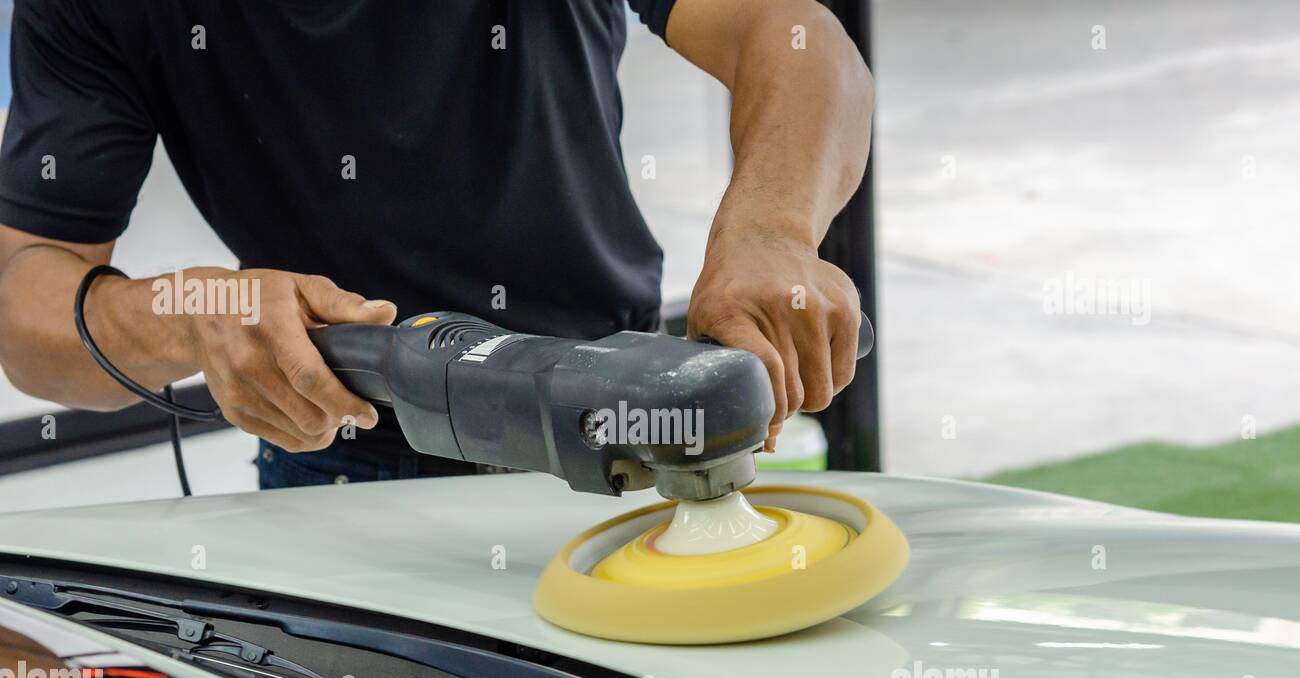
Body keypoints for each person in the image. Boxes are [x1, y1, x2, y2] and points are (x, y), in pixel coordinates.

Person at [0, 0, 874, 488]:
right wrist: (192, 315)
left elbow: (794, 34)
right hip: (333, 460)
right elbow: (25, 296)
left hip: (619, 422)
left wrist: (771, 232)